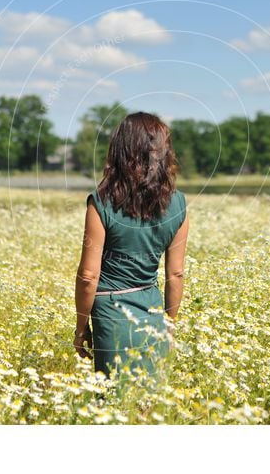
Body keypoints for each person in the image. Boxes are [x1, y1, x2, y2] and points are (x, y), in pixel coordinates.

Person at [73, 112, 189, 379]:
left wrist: (81, 328)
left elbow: (89, 276)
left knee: (113, 404)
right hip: (153, 312)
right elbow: (175, 274)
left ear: (120, 151)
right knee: (147, 406)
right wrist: (169, 325)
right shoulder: (178, 204)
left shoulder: (100, 202)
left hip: (111, 314)